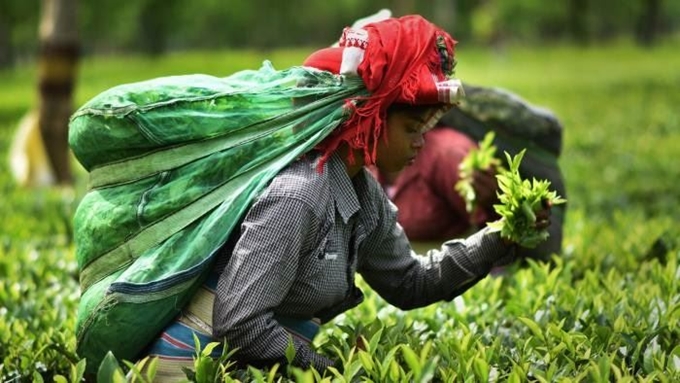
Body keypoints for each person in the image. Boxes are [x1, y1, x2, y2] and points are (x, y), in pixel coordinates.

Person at [73, 15, 551, 381]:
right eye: (411, 128)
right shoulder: (299, 196)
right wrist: (323, 368)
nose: (421, 143)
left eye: (426, 129)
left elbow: (408, 282)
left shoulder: (362, 190)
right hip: (190, 369)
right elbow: (240, 323)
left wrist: (499, 238)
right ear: (371, 117)